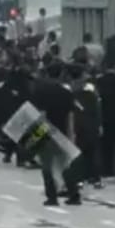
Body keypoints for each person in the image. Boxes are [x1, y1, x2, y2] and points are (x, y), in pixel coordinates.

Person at [30, 62, 81, 206]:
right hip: (62, 131)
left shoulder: (41, 91)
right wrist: (71, 135)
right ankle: (74, 194)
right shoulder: (66, 92)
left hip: (46, 130)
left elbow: (41, 114)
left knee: (47, 166)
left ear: (47, 73)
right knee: (65, 165)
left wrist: (36, 135)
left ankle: (52, 197)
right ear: (61, 74)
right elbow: (70, 116)